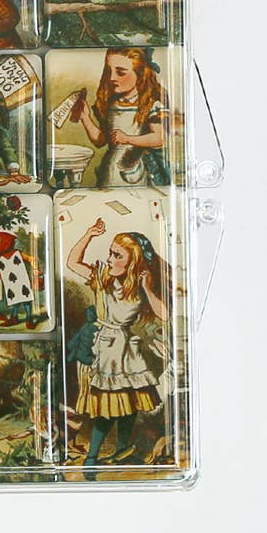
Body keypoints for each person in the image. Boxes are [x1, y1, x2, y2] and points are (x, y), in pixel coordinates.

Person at [66, 218, 169, 473]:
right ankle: (91, 457)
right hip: (104, 349)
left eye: (117, 255)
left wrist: (148, 288)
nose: (110, 259)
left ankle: (122, 447)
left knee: (130, 402)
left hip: (127, 352)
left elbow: (165, 314)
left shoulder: (140, 287)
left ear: (133, 262)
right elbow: (72, 263)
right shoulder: (103, 277)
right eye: (111, 253)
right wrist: (89, 234)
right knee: (104, 408)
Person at [77, 48, 170, 186]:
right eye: (108, 71)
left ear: (140, 74)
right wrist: (85, 117)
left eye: (120, 72)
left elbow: (160, 138)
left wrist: (127, 139)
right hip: (109, 169)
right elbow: (100, 140)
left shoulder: (151, 105)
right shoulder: (111, 104)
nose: (112, 78)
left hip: (134, 170)